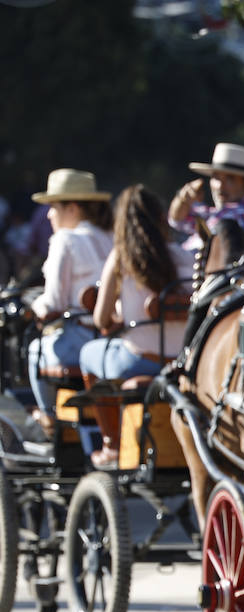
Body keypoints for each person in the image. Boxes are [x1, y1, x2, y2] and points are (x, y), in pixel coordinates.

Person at [79, 186, 193, 467]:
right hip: (182, 362)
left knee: (87, 354)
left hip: (138, 362)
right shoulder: (183, 256)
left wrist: (123, 320)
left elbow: (100, 320)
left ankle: (112, 444)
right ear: (160, 218)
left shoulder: (121, 258)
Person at [25, 169, 113, 436]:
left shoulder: (65, 239)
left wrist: (34, 307)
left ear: (72, 208)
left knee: (33, 350)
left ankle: (50, 420)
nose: (49, 215)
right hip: (110, 338)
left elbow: (54, 301)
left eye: (53, 207)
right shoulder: (109, 237)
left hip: (81, 338)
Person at [167, 142, 244, 251]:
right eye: (216, 177)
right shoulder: (216, 214)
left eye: (230, 178)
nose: (220, 186)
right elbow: (177, 220)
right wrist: (184, 199)